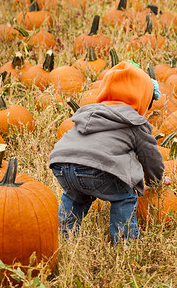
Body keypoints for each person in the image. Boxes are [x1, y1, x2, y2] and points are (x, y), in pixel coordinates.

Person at [49, 61, 168, 245]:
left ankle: (64, 236)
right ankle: (124, 243)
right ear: (142, 98)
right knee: (125, 196)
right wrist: (156, 181)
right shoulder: (135, 122)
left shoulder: (89, 112)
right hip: (96, 169)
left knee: (75, 195)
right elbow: (149, 156)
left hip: (62, 164)